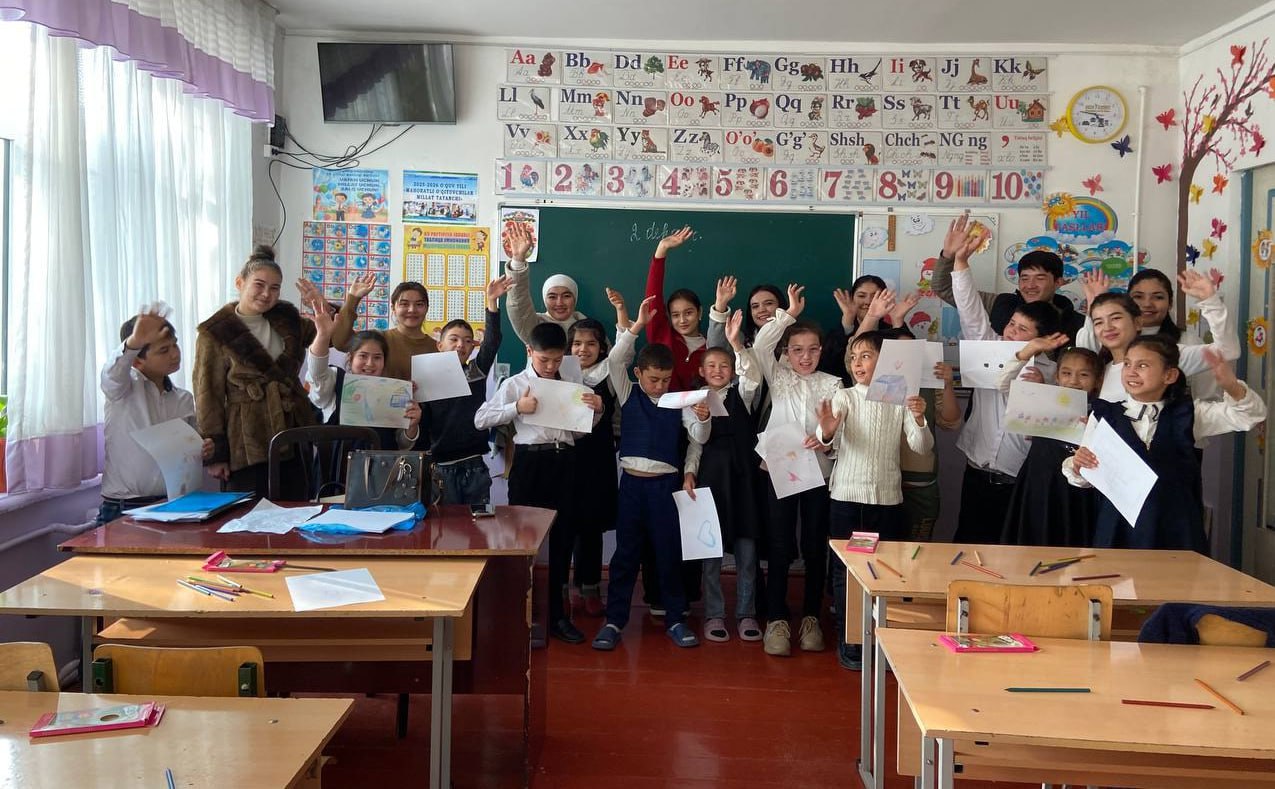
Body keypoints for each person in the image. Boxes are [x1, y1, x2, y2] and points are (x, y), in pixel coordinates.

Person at [1066, 337, 1266, 551]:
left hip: (1177, 528)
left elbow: (1249, 416)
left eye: (1143, 365)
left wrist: (1231, 386)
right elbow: (1085, 474)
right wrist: (1078, 465)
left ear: (1169, 375)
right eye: (1127, 364)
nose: (1131, 372)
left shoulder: (1189, 414)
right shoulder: (1104, 414)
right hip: (1118, 528)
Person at [474, 322, 604, 644]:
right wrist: (516, 407)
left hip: (566, 462)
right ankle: (521, 615)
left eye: (557, 360)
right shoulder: (515, 384)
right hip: (530, 464)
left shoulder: (571, 382)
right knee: (523, 541)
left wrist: (597, 411)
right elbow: (480, 419)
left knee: (563, 540)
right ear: (529, 351)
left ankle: (557, 616)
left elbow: (579, 432)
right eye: (544, 359)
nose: (550, 366)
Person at [592, 296, 708, 651]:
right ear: (638, 374)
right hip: (631, 487)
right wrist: (637, 326)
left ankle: (675, 619)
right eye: (654, 379)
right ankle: (614, 621)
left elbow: (698, 439)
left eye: (666, 380)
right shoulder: (628, 393)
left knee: (668, 554)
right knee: (625, 556)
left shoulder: (679, 400)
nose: (660, 386)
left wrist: (703, 420)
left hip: (665, 488)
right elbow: (615, 360)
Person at [815, 330, 933, 669]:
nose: (857, 363)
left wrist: (920, 418)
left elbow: (921, 446)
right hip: (847, 500)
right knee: (847, 572)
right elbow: (825, 438)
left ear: (886, 361)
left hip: (887, 499)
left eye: (865, 356)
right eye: (853, 357)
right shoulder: (844, 396)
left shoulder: (901, 397)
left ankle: (884, 640)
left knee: (886, 572)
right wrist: (827, 431)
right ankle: (851, 641)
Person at [947, 225, 1063, 544]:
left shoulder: (1051, 373)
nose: (1011, 332)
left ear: (1043, 339)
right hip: (977, 469)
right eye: (1012, 324)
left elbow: (1013, 393)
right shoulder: (991, 347)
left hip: (1020, 479)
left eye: (1022, 330)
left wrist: (1035, 372)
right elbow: (971, 312)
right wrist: (961, 263)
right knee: (968, 543)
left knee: (1013, 549)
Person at [746, 283, 843, 657]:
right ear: (786, 352)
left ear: (821, 350)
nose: (806, 357)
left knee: (816, 547)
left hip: (819, 474)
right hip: (780, 472)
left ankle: (811, 618)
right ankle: (776, 620)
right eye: (797, 350)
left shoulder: (832, 384)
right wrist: (786, 315)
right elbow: (760, 346)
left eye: (813, 349)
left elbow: (837, 435)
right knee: (780, 544)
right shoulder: (779, 376)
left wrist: (826, 438)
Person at [194, 245, 317, 499]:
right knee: (248, 512)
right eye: (259, 285)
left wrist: (322, 305)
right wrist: (217, 454)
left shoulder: (287, 319)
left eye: (274, 288)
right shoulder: (214, 332)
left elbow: (332, 336)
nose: (266, 294)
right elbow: (208, 395)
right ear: (240, 283)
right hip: (246, 438)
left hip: (291, 431)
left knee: (296, 509)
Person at [683, 311, 765, 643]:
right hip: (710, 480)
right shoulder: (693, 401)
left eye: (725, 366)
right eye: (711, 366)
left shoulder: (741, 394)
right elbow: (695, 443)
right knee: (710, 552)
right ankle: (714, 613)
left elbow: (753, 376)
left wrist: (736, 344)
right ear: (701, 371)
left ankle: (746, 613)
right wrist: (689, 473)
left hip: (743, 480)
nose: (718, 370)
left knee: (747, 552)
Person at [99, 307, 213, 523]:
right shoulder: (122, 389)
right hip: (125, 507)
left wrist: (204, 448)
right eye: (163, 350)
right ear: (137, 361)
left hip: (175, 503)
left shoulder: (183, 398)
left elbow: (189, 447)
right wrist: (134, 342)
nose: (175, 354)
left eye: (175, 345)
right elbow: (111, 374)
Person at [1078, 270, 1238, 403]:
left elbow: (1228, 350)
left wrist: (1210, 302)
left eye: (1116, 318)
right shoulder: (1103, 368)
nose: (1107, 327)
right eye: (1098, 322)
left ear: (1138, 322)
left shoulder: (1167, 354)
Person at [418, 277, 510, 505]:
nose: (461, 344)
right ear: (439, 345)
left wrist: (491, 302)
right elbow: (423, 422)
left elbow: (492, 342)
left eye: (468, 341)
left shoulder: (475, 372)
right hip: (440, 466)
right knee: (443, 523)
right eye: (454, 339)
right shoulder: (426, 377)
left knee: (476, 522)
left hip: (474, 464)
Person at [999, 347, 1102, 547]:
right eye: (1066, 373)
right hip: (1039, 481)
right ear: (1057, 376)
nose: (1073, 381)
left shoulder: (1101, 413)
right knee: (1033, 535)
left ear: (1098, 380)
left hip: (1076, 491)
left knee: (1072, 537)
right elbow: (1003, 385)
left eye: (1084, 375)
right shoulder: (1042, 403)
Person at [931, 212, 1085, 343]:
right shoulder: (1000, 304)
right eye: (1024, 278)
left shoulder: (1078, 325)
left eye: (1040, 278)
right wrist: (950, 256)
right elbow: (954, 294)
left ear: (1058, 282)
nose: (1030, 285)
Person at [303, 304, 423, 453]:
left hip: (382, 465)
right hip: (339, 466)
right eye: (363, 356)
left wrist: (412, 426)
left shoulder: (393, 390)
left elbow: (401, 444)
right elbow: (317, 373)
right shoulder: (335, 381)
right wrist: (323, 336)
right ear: (350, 358)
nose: (370, 363)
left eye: (377, 357)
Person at [887, 327, 961, 543]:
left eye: (912, 351)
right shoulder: (872, 384)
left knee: (917, 547)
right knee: (884, 545)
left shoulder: (928, 382)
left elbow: (950, 421)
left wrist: (947, 384)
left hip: (919, 479)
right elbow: (852, 356)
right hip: (882, 478)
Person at [317, 274, 438, 381]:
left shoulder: (437, 347)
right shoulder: (378, 339)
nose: (412, 310)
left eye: (419, 304)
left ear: (427, 308)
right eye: (404, 304)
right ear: (393, 308)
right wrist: (353, 298)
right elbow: (340, 342)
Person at [644, 226, 707, 391]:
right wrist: (661, 250)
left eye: (689, 313)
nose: (682, 320)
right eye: (675, 315)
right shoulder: (662, 335)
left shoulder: (711, 348)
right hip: (661, 406)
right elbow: (653, 296)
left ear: (700, 312)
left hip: (699, 408)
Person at [505, 222, 587, 344]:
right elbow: (519, 303)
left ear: (575, 298)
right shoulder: (535, 328)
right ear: (545, 299)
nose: (559, 303)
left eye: (566, 296)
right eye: (552, 297)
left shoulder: (590, 329)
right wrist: (518, 259)